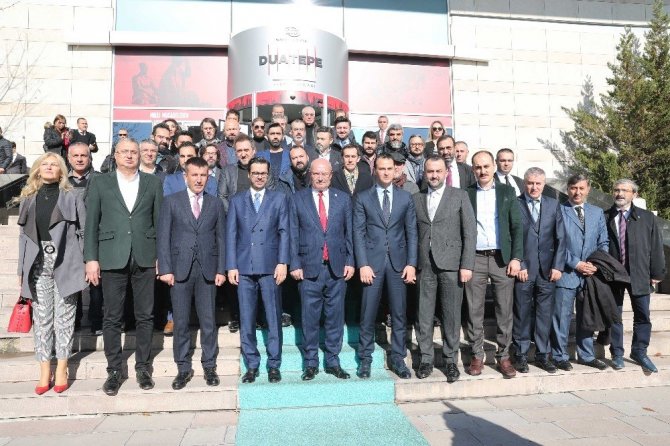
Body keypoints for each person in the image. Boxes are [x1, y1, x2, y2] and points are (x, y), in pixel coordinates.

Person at [84, 138, 164, 396]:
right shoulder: (100, 182)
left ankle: (143, 367)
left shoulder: (153, 183)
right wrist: (91, 258)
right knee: (112, 317)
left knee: (145, 315)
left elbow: (159, 222)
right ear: (115, 155)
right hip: (111, 256)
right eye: (124, 152)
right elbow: (91, 223)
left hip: (145, 256)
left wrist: (161, 256)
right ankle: (114, 370)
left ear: (140, 156)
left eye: (133, 152)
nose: (129, 156)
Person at [16, 152, 87, 395]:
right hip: (37, 263)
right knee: (43, 319)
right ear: (37, 169)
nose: (48, 167)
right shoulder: (28, 198)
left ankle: (62, 368)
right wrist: (20, 268)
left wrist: (85, 262)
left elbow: (83, 231)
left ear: (61, 171)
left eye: (54, 164)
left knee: (64, 319)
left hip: (66, 261)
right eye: (44, 164)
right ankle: (45, 370)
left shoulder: (72, 196)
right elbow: (23, 237)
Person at [157, 157, 226, 390]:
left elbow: (221, 238)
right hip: (179, 270)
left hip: (207, 270)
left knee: (208, 322)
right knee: (181, 322)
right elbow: (163, 237)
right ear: (185, 176)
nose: (199, 179)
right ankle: (183, 368)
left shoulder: (215, 204)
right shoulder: (171, 201)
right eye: (194, 175)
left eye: (203, 175)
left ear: (208, 177)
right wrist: (165, 269)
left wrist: (221, 269)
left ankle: (209, 366)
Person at [289, 159, 355, 381]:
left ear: (331, 176)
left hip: (337, 268)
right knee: (309, 318)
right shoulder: (297, 199)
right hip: (308, 268)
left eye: (324, 174)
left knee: (335, 317)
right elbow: (292, 233)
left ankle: (333, 361)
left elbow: (349, 233)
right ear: (310, 174)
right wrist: (294, 264)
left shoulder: (343, 199)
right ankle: (310, 363)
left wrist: (350, 261)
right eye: (316, 173)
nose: (320, 177)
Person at [353, 153, 418, 379]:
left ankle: (398, 358)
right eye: (382, 168)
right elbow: (358, 233)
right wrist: (362, 264)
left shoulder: (405, 198)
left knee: (399, 314)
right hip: (372, 264)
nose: (386, 172)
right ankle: (365, 358)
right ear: (375, 170)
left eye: (390, 168)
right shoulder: (363, 198)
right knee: (368, 313)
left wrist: (411, 263)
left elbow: (412, 232)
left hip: (399, 264)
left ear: (396, 170)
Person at [413, 155, 476, 382]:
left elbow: (470, 232)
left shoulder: (459, 196)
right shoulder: (416, 198)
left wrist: (466, 264)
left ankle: (450, 361)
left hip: (451, 264)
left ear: (446, 173)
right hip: (424, 264)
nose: (434, 175)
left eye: (438, 171)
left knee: (451, 315)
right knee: (423, 314)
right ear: (424, 173)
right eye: (430, 171)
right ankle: (426, 359)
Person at [227, 157, 289, 384]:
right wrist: (231, 265)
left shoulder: (279, 198)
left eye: (263, 173)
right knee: (246, 318)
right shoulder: (237, 200)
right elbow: (231, 234)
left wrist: (283, 262)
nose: (259, 176)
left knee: (273, 317)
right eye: (255, 173)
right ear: (249, 174)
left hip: (270, 266)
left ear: (268, 174)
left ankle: (274, 365)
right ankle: (251, 365)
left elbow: (284, 232)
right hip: (244, 267)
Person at [465, 151, 523, 379]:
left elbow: (517, 227)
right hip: (475, 258)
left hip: (502, 259)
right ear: (473, 169)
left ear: (493, 167)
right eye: (478, 167)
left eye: (486, 166)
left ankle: (504, 356)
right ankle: (477, 355)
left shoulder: (507, 192)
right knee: (474, 309)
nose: (483, 171)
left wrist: (516, 258)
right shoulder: (466, 193)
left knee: (504, 310)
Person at [605, 179, 666, 373]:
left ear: (634, 194)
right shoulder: (604, 216)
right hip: (613, 274)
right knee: (614, 315)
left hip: (639, 273)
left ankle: (639, 351)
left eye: (625, 190)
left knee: (642, 315)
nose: (620, 193)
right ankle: (617, 353)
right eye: (617, 190)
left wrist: (657, 272)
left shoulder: (647, 217)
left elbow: (656, 246)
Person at [551, 173, 609, 371]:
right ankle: (559, 356)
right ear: (567, 189)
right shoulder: (558, 210)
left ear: (588, 190)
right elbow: (556, 243)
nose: (577, 192)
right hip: (566, 274)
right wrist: (576, 264)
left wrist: (596, 263)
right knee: (561, 318)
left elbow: (603, 242)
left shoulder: (597, 212)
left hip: (590, 275)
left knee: (587, 317)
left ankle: (586, 355)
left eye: (581, 188)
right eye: (573, 188)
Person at [513, 167, 566, 374]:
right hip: (523, 270)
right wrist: (519, 263)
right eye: (530, 183)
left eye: (538, 183)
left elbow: (561, 237)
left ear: (544, 185)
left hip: (547, 271)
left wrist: (557, 266)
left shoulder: (553, 205)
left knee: (545, 314)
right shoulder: (514, 203)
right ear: (524, 183)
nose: (534, 187)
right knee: (522, 313)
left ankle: (543, 355)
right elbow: (510, 237)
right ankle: (521, 354)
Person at [67, 142, 103, 335]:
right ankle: (75, 319)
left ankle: (97, 320)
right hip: (70, 237)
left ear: (90, 158)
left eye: (84, 155)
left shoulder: (101, 179)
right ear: (69, 158)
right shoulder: (62, 180)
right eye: (76, 156)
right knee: (73, 280)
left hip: (95, 234)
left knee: (96, 281)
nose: (80, 159)